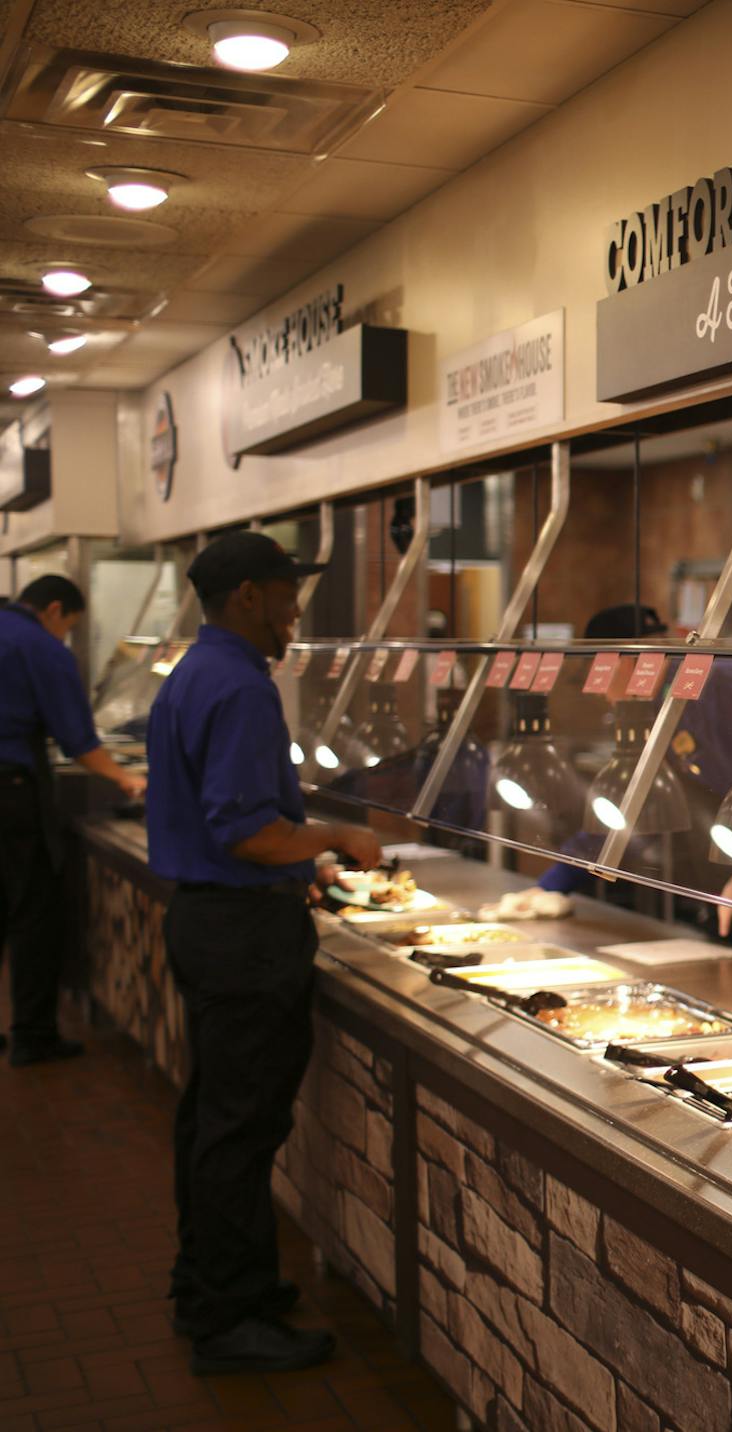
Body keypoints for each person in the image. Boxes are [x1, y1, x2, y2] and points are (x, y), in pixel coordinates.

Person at [148, 532, 382, 1376]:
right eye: (287, 593)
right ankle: (228, 1316)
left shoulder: (192, 674)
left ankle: (209, 1282)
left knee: (213, 1119)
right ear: (247, 595)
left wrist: (300, 863)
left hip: (208, 924)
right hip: (243, 936)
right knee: (240, 1129)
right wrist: (339, 838)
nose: (295, 610)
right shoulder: (240, 685)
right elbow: (248, 830)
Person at [530, 603, 732, 977]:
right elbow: (632, 806)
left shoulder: (722, 682)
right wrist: (555, 884)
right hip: (731, 901)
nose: (599, 691)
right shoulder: (657, 708)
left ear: (626, 661)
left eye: (597, 672)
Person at [0, 574, 147, 1064]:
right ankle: (33, 1035)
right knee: (32, 911)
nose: (65, 636)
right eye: (69, 627)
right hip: (11, 790)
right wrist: (127, 780)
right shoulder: (41, 647)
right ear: (55, 610)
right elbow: (78, 740)